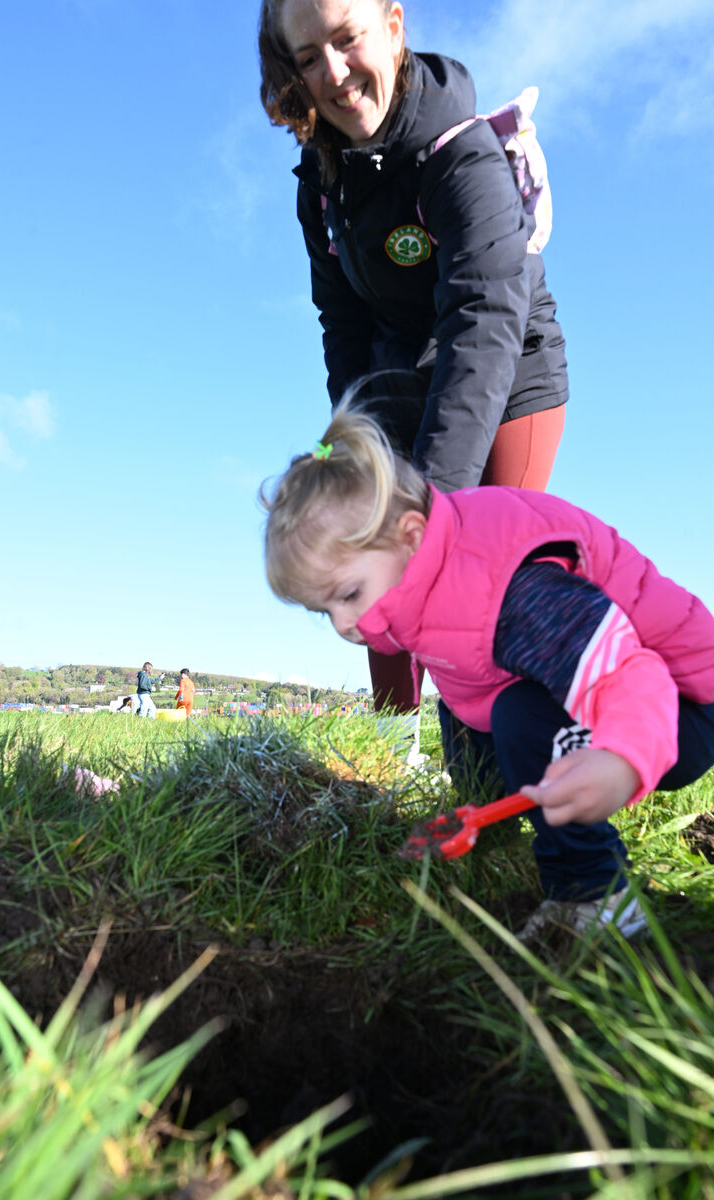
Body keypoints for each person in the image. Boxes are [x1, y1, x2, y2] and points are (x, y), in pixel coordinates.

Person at [261, 406, 714, 938]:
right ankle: (496, 824)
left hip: (676, 707)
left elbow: (628, 674)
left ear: (409, 535)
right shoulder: (424, 574)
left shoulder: (508, 587)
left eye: (349, 595)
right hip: (595, 686)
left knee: (520, 715)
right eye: (324, 610)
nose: (342, 624)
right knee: (464, 704)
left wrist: (620, 760)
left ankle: (594, 894)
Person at [258, 0, 569, 729]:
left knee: (474, 568)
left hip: (507, 371)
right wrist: (353, 449)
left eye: (347, 39)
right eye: (308, 57)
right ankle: (390, 746)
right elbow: (343, 320)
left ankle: (508, 749)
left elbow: (484, 318)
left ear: (394, 27)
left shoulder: (459, 151)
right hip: (401, 369)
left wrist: (438, 504)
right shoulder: (319, 183)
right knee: (369, 539)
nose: (333, 73)